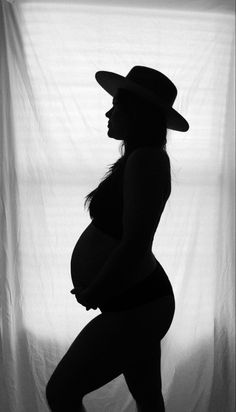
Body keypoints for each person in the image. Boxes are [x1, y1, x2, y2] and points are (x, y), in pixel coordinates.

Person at [45, 66, 189, 412]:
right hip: (137, 302)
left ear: (137, 114)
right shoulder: (138, 159)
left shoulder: (147, 160)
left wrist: (97, 289)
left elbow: (136, 243)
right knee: (148, 398)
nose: (109, 112)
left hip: (137, 304)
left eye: (117, 106)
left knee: (61, 392)